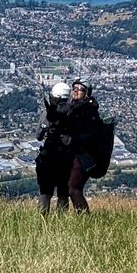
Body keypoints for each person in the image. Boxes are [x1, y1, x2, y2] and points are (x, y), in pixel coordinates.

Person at [57, 79, 102, 213]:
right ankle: (61, 217)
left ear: (86, 93)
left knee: (73, 189)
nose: (76, 90)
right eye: (74, 88)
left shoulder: (89, 111)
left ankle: (85, 218)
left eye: (80, 89)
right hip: (72, 153)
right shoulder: (73, 107)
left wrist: (72, 139)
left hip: (83, 155)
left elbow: (91, 135)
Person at [35, 81, 70, 213]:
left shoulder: (47, 113)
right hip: (67, 158)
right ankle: (62, 222)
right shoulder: (73, 113)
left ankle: (42, 219)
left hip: (49, 156)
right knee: (63, 192)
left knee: (45, 190)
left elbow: (38, 135)